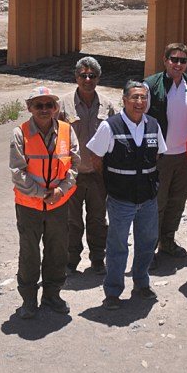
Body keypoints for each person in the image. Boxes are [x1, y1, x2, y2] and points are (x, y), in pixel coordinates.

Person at [87, 81, 167, 310]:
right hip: (121, 199)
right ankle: (113, 292)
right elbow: (96, 158)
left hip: (148, 198)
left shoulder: (153, 124)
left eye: (143, 98)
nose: (140, 102)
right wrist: (116, 181)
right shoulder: (110, 126)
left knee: (147, 243)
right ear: (124, 100)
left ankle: (141, 283)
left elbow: (158, 155)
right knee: (117, 246)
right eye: (135, 97)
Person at [9, 86, 80, 319]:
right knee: (29, 253)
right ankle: (29, 300)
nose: (44, 109)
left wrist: (60, 190)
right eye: (38, 105)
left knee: (57, 250)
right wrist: (42, 193)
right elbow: (18, 172)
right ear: (29, 108)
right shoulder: (20, 133)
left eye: (49, 105)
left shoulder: (67, 131)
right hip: (29, 205)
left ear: (55, 108)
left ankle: (52, 295)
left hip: (58, 204)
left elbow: (74, 166)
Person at [145, 43, 187, 265]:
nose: (178, 64)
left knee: (177, 202)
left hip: (185, 156)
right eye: (174, 59)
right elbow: (142, 121)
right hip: (160, 158)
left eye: (183, 60)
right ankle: (148, 250)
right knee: (157, 205)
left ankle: (167, 241)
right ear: (165, 60)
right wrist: (149, 151)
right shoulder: (152, 85)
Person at [57, 57, 118, 276]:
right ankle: (71, 261)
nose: (88, 79)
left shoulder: (108, 105)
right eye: (83, 75)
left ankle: (98, 259)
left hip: (98, 175)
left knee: (97, 219)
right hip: (71, 175)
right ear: (76, 77)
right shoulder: (62, 104)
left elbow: (118, 135)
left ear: (98, 78)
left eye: (92, 76)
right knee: (72, 222)